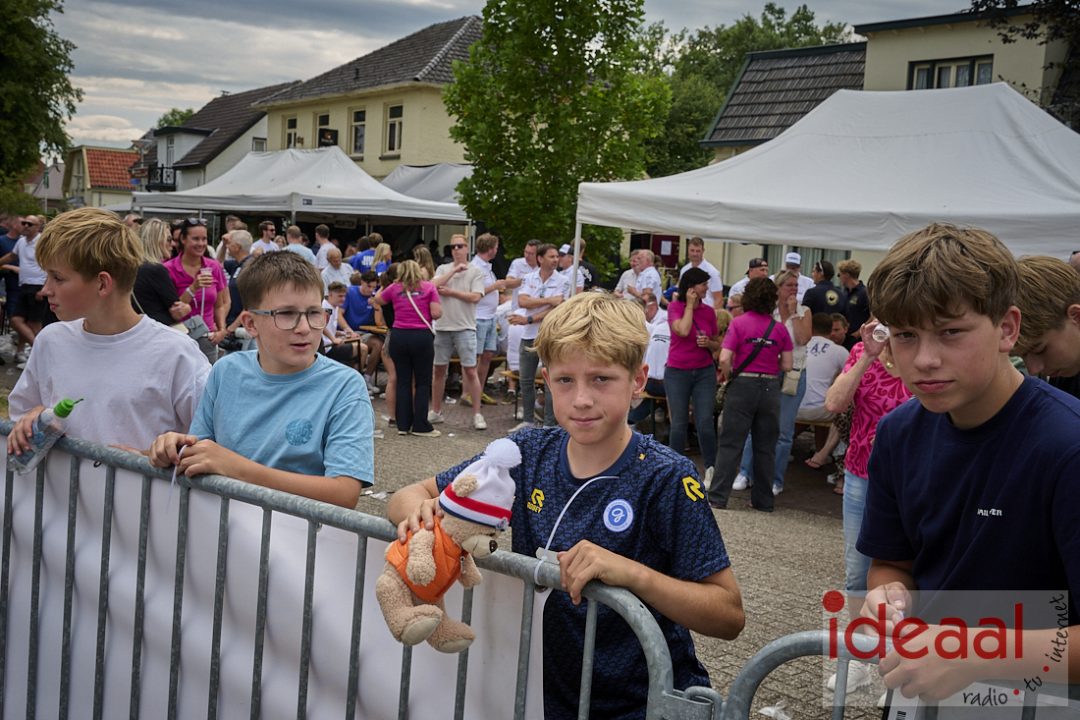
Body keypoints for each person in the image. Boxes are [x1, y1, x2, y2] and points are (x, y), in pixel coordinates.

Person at [387, 291, 744, 720]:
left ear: (638, 381)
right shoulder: (525, 452)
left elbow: (728, 614)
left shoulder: (666, 476)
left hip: (641, 704)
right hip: (541, 697)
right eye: (565, 380)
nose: (581, 399)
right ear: (546, 379)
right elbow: (410, 494)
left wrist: (632, 574)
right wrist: (419, 513)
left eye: (601, 379)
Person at [856, 224, 1080, 702]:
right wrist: (887, 595)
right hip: (925, 697)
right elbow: (891, 562)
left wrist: (977, 653)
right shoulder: (898, 434)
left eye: (950, 332)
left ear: (1007, 329)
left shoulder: (1067, 446)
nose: (925, 359)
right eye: (906, 335)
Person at [149, 251, 374, 509]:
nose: (304, 328)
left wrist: (236, 468)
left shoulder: (344, 386)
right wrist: (173, 449)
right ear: (251, 324)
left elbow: (344, 492)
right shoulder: (226, 371)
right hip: (221, 527)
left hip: (295, 533)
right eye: (286, 314)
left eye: (314, 313)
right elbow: (201, 452)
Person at [7, 208, 209, 453]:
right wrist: (34, 416)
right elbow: (20, 415)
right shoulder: (51, 340)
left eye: (57, 278)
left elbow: (210, 443)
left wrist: (147, 460)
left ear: (102, 283)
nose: (46, 289)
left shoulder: (176, 353)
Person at [708, 277, 792, 513]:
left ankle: (718, 497)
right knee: (765, 446)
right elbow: (787, 364)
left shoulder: (739, 323)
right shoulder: (779, 328)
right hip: (770, 388)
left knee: (731, 443)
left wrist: (729, 375)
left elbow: (724, 358)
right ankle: (763, 501)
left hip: (743, 385)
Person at [732, 269, 811, 496]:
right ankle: (745, 472)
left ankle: (775, 479)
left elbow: (803, 339)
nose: (794, 289)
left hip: (794, 373)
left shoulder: (805, 311)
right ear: (778, 289)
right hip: (768, 372)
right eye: (789, 285)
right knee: (756, 424)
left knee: (784, 431)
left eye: (796, 285)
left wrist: (794, 314)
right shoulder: (768, 312)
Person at [373, 259, 442, 437]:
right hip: (421, 337)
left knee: (403, 381)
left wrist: (387, 284)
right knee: (422, 382)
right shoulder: (429, 287)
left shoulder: (394, 288)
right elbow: (436, 313)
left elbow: (378, 300)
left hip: (399, 336)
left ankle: (403, 424)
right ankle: (420, 425)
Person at [664, 267, 721, 484]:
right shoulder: (675, 307)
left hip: (704, 371)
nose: (707, 288)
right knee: (678, 422)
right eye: (703, 284)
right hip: (677, 371)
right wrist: (689, 305)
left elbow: (717, 343)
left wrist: (710, 343)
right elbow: (682, 330)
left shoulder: (709, 312)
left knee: (704, 420)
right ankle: (675, 471)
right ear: (691, 287)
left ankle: (711, 468)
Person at [428, 235, 487, 431]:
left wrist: (451, 292)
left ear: (467, 248)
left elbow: (475, 297)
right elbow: (432, 286)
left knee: (470, 370)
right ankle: (436, 411)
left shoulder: (476, 271)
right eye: (452, 246)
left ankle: (477, 413)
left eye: (460, 246)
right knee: (438, 370)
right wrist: (453, 270)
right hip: (443, 327)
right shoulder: (443, 269)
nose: (456, 249)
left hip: (465, 327)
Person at [510, 243, 570, 430]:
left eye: (557, 256)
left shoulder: (563, 280)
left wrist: (529, 318)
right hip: (529, 335)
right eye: (551, 256)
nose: (556, 260)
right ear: (540, 259)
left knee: (549, 382)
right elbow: (522, 301)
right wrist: (549, 300)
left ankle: (549, 425)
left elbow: (557, 309)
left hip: (550, 336)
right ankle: (528, 421)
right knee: (525, 379)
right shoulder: (529, 278)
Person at [164, 218, 230, 363]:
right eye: (195, 239)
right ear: (183, 239)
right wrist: (193, 288)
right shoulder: (168, 269)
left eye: (204, 239)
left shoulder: (213, 267)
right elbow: (173, 310)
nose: (201, 244)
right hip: (180, 338)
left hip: (208, 339)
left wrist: (221, 330)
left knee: (208, 376)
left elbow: (219, 305)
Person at [1013, 255, 1080, 398]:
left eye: (1040, 350)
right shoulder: (1067, 367)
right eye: (1022, 355)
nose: (1033, 369)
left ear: (1076, 316)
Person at [0, 214, 55, 367]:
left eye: (30, 224)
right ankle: (27, 353)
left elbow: (51, 265)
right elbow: (11, 256)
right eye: (24, 223)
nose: (25, 226)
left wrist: (45, 288)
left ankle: (43, 354)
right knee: (18, 320)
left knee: (33, 323)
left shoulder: (42, 242)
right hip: (24, 286)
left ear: (38, 227)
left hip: (38, 286)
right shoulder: (21, 241)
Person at [132, 218, 191, 327]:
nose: (173, 244)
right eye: (168, 239)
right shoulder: (156, 269)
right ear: (156, 240)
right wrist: (187, 307)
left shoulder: (133, 267)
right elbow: (177, 311)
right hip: (158, 330)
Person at [470, 233, 506, 404]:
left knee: (487, 355)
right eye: (496, 247)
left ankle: (479, 389)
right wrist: (495, 286)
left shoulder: (486, 267)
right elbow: (474, 292)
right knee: (475, 357)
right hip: (479, 317)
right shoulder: (475, 267)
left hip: (490, 317)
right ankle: (470, 392)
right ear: (490, 249)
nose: (497, 251)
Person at [797, 313, 850, 427]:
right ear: (830, 331)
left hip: (793, 407)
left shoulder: (798, 346)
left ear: (811, 329)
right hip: (820, 411)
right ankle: (827, 440)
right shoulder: (839, 351)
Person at [679, 236, 724, 308]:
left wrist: (712, 314)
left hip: (706, 311)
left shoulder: (712, 272)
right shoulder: (684, 270)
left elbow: (719, 300)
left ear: (703, 251)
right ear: (688, 250)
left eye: (698, 251)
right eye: (692, 250)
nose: (695, 254)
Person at [837, 259, 869, 349]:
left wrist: (858, 333)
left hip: (858, 340)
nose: (839, 278)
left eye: (839, 275)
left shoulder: (864, 293)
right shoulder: (844, 292)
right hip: (845, 338)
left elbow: (874, 316)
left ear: (846, 275)